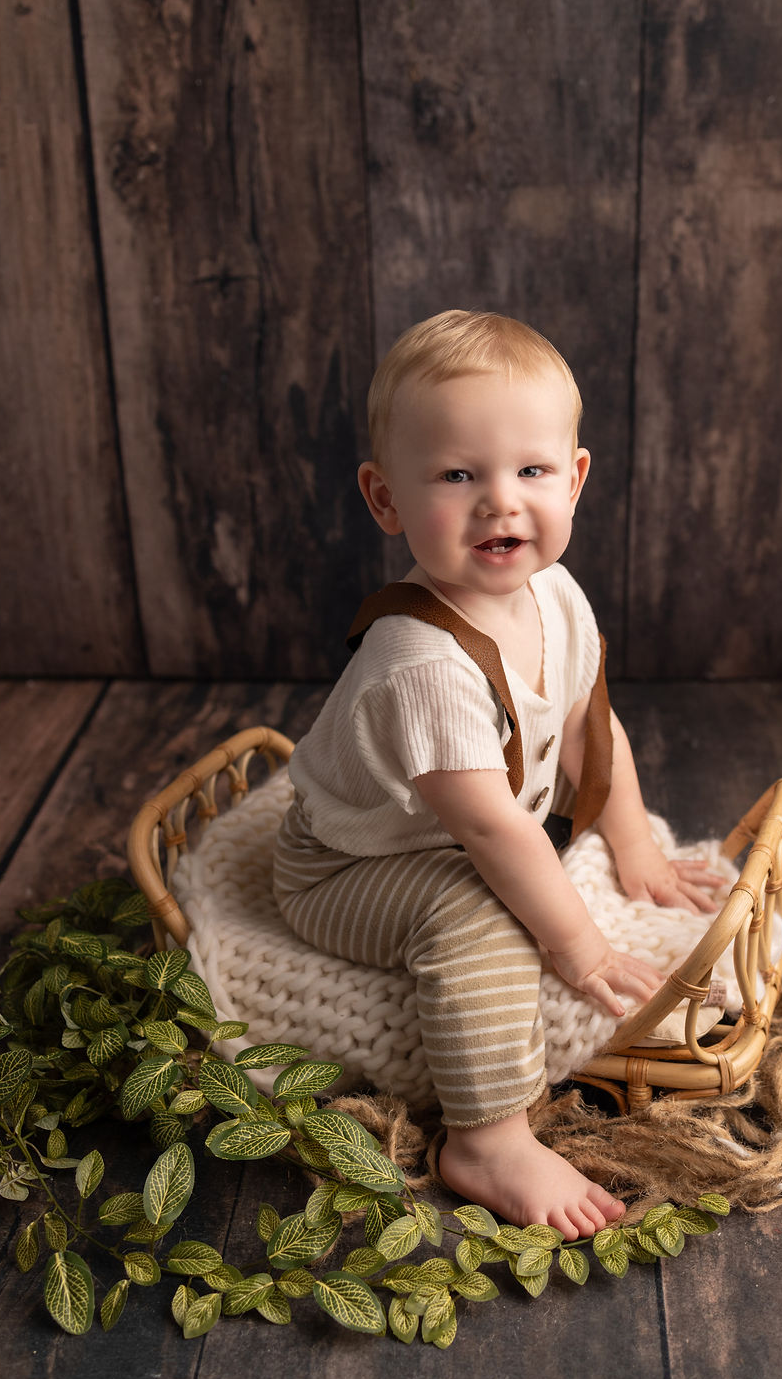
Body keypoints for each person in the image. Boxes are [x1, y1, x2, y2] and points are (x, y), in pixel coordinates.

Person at [273, 310, 724, 1239]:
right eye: (456, 475)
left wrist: (630, 842)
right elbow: (490, 830)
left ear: (576, 478)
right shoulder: (421, 662)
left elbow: (591, 722)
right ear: (385, 498)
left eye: (531, 471)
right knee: (478, 906)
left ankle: (494, 1124)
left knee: (536, 843)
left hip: (443, 828)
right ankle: (486, 1138)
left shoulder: (552, 592)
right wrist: (580, 947)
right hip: (341, 871)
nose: (500, 503)